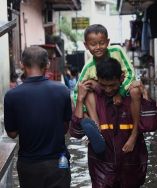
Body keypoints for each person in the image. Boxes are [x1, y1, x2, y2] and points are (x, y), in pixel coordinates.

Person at [70, 58, 148, 187]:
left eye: (112, 85)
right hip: (102, 167)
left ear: (121, 78)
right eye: (103, 85)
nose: (108, 90)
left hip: (130, 166)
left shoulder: (132, 97)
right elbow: (76, 133)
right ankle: (96, 128)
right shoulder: (92, 98)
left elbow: (151, 125)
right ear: (98, 80)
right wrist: (79, 99)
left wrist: (144, 94)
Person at [4, 46, 72, 188]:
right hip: (58, 163)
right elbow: (66, 128)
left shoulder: (11, 96)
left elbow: (11, 134)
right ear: (47, 65)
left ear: (22, 64)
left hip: (29, 165)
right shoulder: (62, 90)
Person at [73, 24, 142, 153]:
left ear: (108, 42)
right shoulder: (88, 67)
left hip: (122, 89)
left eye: (102, 43)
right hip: (101, 95)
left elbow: (130, 73)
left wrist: (120, 93)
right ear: (86, 45)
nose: (98, 47)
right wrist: (84, 113)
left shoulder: (117, 51)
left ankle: (134, 133)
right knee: (87, 88)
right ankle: (96, 126)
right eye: (93, 44)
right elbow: (77, 91)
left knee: (135, 89)